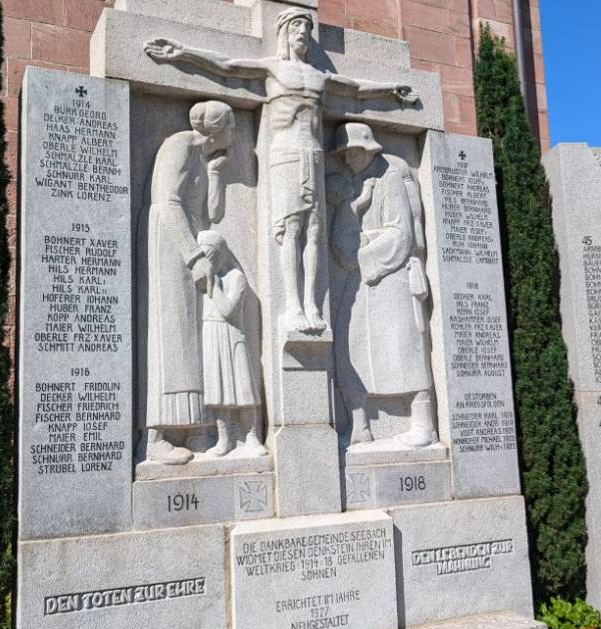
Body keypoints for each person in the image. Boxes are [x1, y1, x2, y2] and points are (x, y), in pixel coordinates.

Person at [144, 7, 416, 334]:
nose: (303, 31)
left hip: (313, 154)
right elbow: (227, 66)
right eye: (297, 25)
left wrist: (390, 91)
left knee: (314, 231)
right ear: (285, 31)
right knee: (290, 231)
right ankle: (293, 304)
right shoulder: (273, 69)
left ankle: (312, 305)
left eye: (307, 26)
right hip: (285, 154)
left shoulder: (319, 77)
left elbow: (355, 89)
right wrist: (184, 53)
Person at [330, 122, 437, 448]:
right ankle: (360, 425)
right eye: (344, 154)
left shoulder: (391, 174)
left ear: (367, 148)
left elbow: (400, 234)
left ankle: (424, 424)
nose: (348, 160)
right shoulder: (354, 182)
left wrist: (361, 256)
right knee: (349, 347)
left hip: (389, 273)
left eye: (352, 152)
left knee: (404, 347)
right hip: (359, 274)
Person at [144, 101, 235, 464]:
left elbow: (214, 214)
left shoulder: (205, 157)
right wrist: (193, 256)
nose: (235, 133)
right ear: (217, 128)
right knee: (171, 334)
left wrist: (215, 175)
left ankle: (193, 424)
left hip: (193, 242)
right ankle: (156, 436)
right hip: (171, 241)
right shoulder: (179, 144)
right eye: (232, 126)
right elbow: (167, 201)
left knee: (192, 336)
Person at [196, 230, 268, 457]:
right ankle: (224, 438)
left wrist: (214, 286)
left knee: (242, 387)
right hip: (211, 334)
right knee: (217, 388)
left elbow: (228, 310)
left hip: (232, 334)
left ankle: (251, 436)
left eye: (210, 258)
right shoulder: (203, 280)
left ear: (219, 255)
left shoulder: (236, 277)